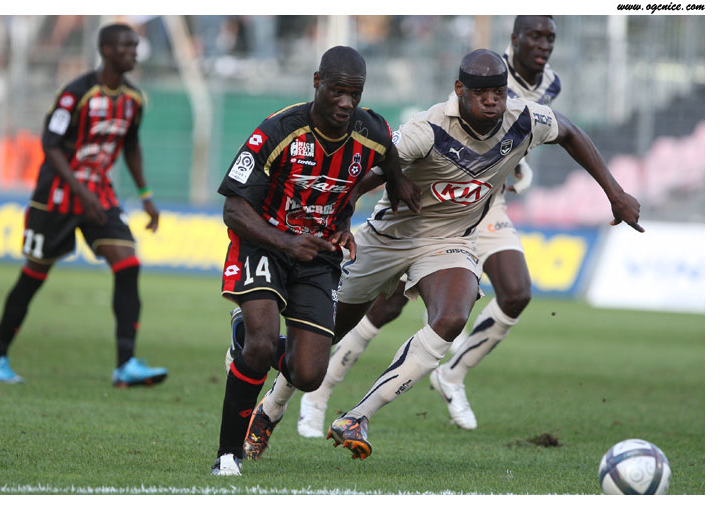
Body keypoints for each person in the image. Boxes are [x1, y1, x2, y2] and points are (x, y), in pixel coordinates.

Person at [240, 47, 643, 462]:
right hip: (389, 238)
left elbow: (570, 131)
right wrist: (346, 212)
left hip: (450, 241)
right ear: (459, 91)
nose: (493, 101)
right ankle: (271, 408)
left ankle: (358, 416)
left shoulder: (524, 118)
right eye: (482, 93)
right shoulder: (427, 128)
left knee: (452, 315)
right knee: (322, 341)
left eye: (499, 92)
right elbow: (371, 169)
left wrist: (615, 194)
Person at [297, 15, 561, 436]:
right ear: (515, 40)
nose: (544, 45)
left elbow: (527, 136)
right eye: (535, 36)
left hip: (484, 202)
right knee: (385, 306)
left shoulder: (550, 86)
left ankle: (452, 374)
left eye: (550, 37)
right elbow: (451, 133)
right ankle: (318, 392)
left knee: (516, 292)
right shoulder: (487, 71)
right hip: (439, 201)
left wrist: (516, 167)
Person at [210, 45, 421, 476]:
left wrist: (393, 187)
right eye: (337, 91)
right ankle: (228, 456)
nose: (345, 103)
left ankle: (242, 335)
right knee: (262, 345)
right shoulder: (277, 131)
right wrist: (286, 243)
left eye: (354, 94)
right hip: (265, 242)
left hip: (319, 255)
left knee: (308, 374)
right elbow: (233, 208)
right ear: (317, 82)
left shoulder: (372, 130)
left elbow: (388, 158)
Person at [0, 23, 168, 388]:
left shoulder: (133, 99)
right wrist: (81, 193)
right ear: (107, 50)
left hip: (99, 195)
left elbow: (131, 145)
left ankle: (126, 364)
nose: (135, 52)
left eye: (136, 46)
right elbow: (50, 144)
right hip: (57, 197)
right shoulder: (76, 94)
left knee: (128, 265)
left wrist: (146, 195)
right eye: (128, 46)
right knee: (33, 276)